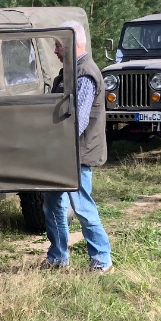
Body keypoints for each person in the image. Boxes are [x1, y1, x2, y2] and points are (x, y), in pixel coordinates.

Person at [41, 20, 113, 273]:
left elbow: (78, 122)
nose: (55, 51)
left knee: (82, 207)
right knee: (52, 205)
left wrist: (55, 144)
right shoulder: (70, 71)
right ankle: (58, 257)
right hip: (64, 153)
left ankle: (102, 259)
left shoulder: (85, 73)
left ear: (72, 43)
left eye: (58, 45)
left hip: (77, 154)